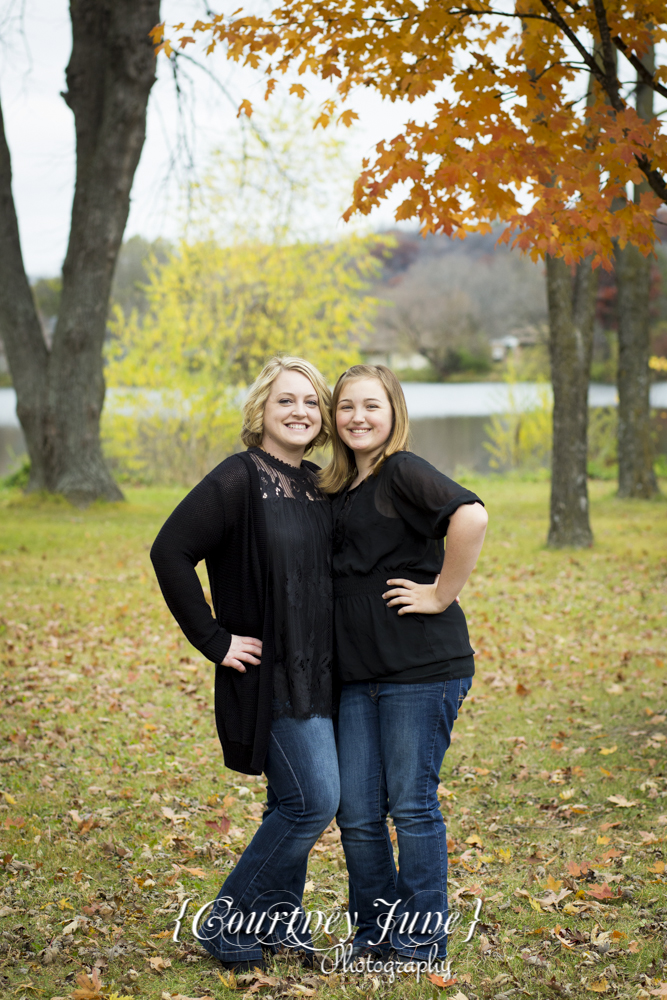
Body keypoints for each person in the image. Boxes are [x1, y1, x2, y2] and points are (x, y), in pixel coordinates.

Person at [150, 356, 339, 971]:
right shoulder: (238, 479)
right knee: (313, 801)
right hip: (267, 676)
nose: (300, 412)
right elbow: (170, 551)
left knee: (287, 801)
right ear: (261, 409)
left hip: (321, 672)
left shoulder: (317, 484)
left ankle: (279, 922)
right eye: (287, 400)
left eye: (312, 402)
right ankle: (226, 921)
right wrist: (214, 638)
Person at [320, 364, 488, 964]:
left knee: (412, 807)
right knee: (359, 813)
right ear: (333, 417)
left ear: (393, 412)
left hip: (421, 670)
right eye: (346, 407)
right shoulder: (335, 489)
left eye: (371, 406)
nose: (358, 417)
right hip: (356, 675)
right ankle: (374, 937)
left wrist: (441, 593)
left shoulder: (402, 471)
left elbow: (471, 516)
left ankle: (420, 943)